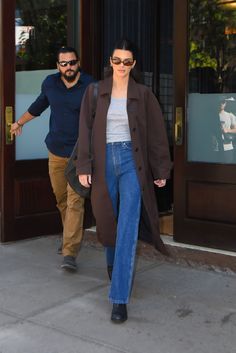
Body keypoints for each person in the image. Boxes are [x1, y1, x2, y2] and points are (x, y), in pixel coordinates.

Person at [77, 38, 172, 323]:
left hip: (133, 162)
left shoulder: (143, 95)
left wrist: (161, 170)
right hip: (104, 161)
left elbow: (157, 135)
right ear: (110, 61)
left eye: (127, 61)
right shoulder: (94, 92)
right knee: (108, 220)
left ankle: (119, 299)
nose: (121, 66)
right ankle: (113, 264)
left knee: (128, 228)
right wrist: (84, 164)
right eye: (117, 60)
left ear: (134, 64)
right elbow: (84, 129)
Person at [10, 46, 95, 272]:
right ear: (58, 66)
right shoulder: (50, 83)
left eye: (72, 63)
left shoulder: (90, 85)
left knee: (75, 201)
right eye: (64, 63)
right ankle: (70, 236)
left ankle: (69, 252)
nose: (69, 67)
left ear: (78, 63)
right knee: (61, 199)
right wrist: (19, 122)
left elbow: (99, 117)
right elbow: (39, 105)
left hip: (79, 155)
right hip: (56, 152)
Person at [219, 98, 236, 163]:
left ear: (225, 103)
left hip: (227, 147)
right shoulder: (211, 116)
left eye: (223, 102)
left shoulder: (230, 115)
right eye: (220, 101)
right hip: (215, 148)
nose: (221, 103)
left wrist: (228, 130)